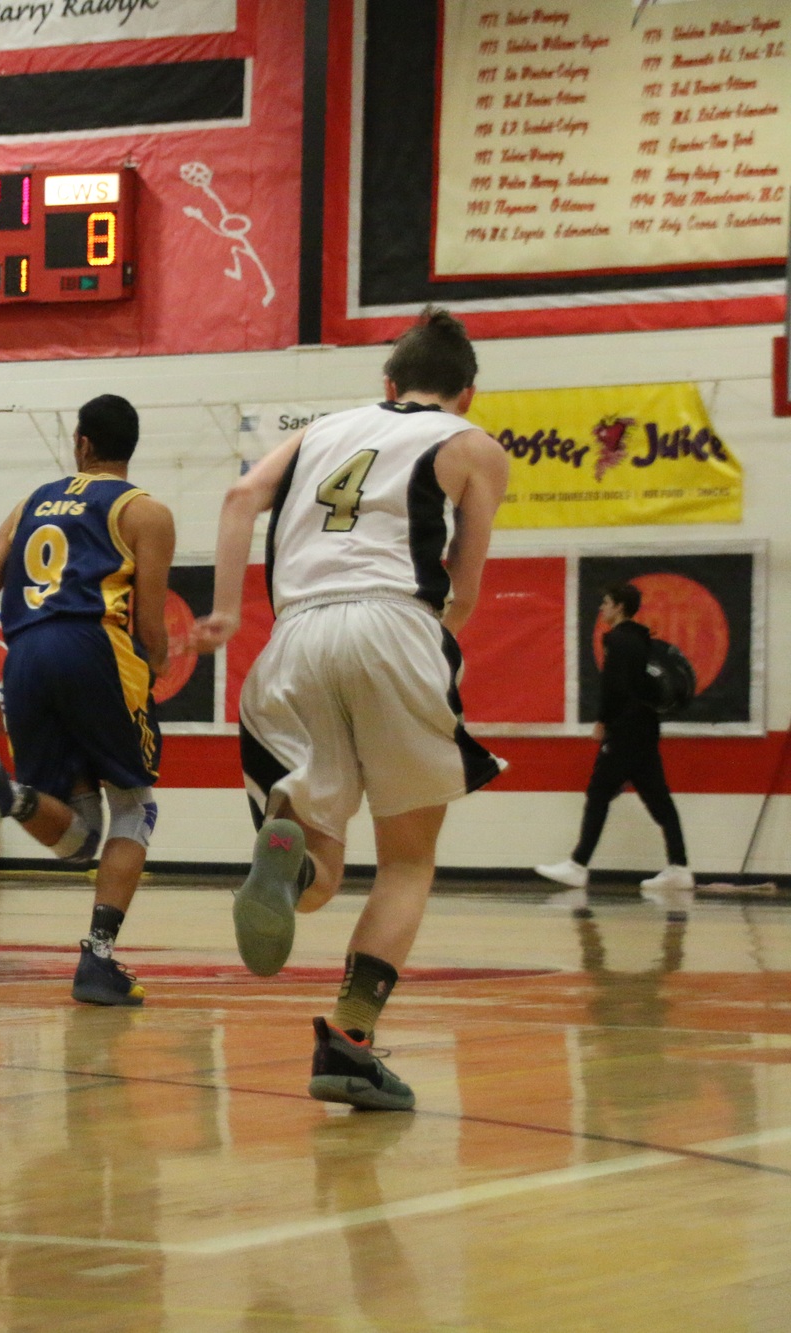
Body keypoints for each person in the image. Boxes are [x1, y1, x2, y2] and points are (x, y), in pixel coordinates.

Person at [188, 308, 511, 1112]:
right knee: (406, 859)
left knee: (321, 871)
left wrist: (224, 611)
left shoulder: (321, 430)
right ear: (466, 393)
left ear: (388, 382)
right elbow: (465, 589)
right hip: (396, 624)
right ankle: (350, 1038)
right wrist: (429, 640)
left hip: (294, 637)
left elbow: (239, 496)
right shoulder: (473, 445)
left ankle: (290, 864)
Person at [0, 393, 175, 1009]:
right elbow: (150, 626)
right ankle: (98, 960)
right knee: (133, 807)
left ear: (81, 444)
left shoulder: (32, 503)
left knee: (79, 840)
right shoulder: (146, 511)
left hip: (25, 655)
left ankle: (9, 796)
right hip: (96, 647)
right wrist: (157, 665)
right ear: (130, 447)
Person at [536, 582, 694, 917]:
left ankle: (578, 865)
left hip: (625, 729)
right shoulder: (641, 639)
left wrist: (603, 721)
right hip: (645, 727)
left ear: (620, 607)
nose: (602, 608)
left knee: (598, 793)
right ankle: (679, 867)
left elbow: (614, 686)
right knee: (658, 797)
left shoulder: (618, 640)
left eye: (606, 603)